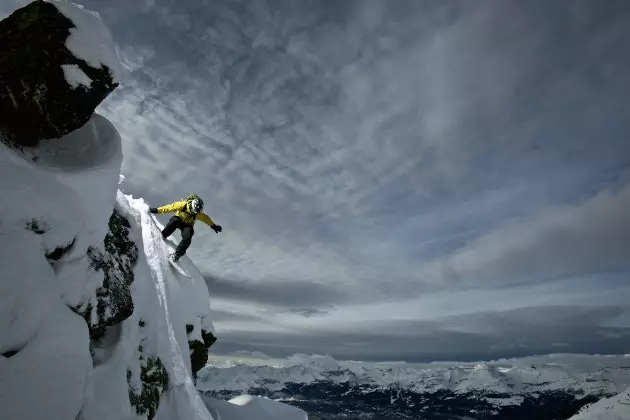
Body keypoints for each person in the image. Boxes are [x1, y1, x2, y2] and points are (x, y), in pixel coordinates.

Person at [149, 193, 222, 262]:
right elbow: (169, 207)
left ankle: (177, 255)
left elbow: (206, 218)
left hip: (187, 225)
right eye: (194, 210)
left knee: (188, 237)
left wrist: (213, 226)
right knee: (173, 222)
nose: (194, 212)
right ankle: (163, 235)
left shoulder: (197, 214)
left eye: (196, 212)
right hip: (179, 219)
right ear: (192, 205)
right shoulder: (182, 205)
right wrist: (157, 210)